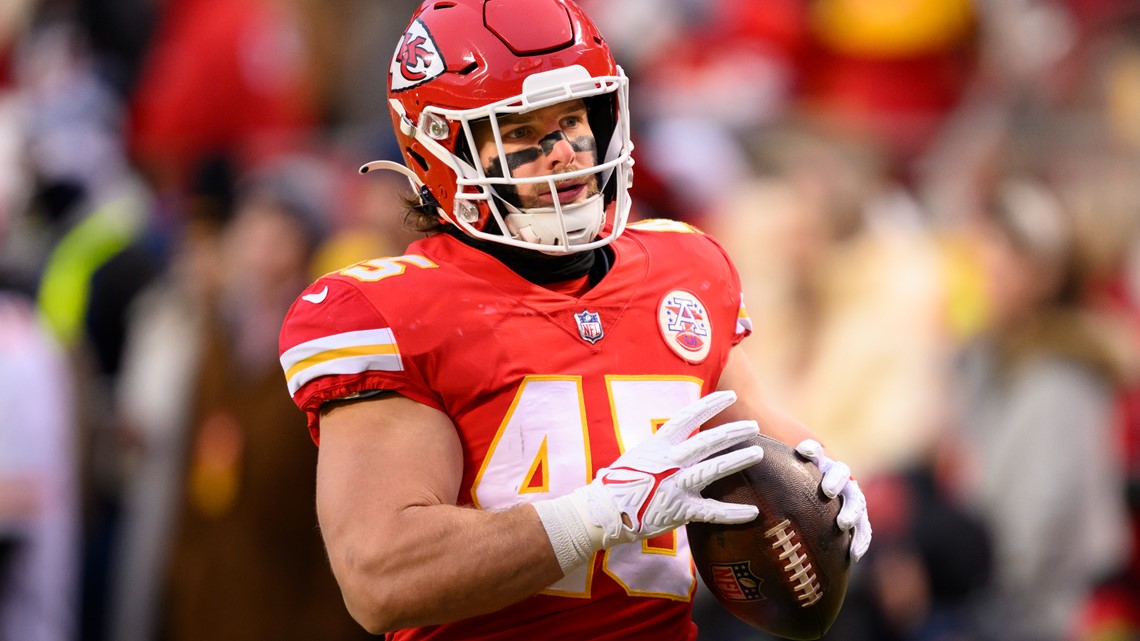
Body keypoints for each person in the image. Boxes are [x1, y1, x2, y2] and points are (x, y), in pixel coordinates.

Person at [277, 1, 871, 638]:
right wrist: (595, 515)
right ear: (441, 151)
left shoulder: (683, 266)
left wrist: (822, 483)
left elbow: (755, 456)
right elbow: (381, 576)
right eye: (523, 132)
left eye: (572, 119)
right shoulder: (390, 312)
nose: (563, 152)